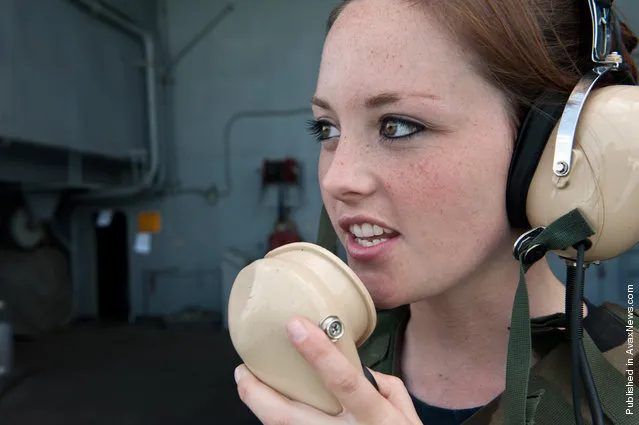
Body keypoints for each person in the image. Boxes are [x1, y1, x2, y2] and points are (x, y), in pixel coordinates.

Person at [233, 0, 639, 424]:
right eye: (327, 128)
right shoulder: (304, 378)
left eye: (399, 126)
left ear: (545, 149)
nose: (337, 178)